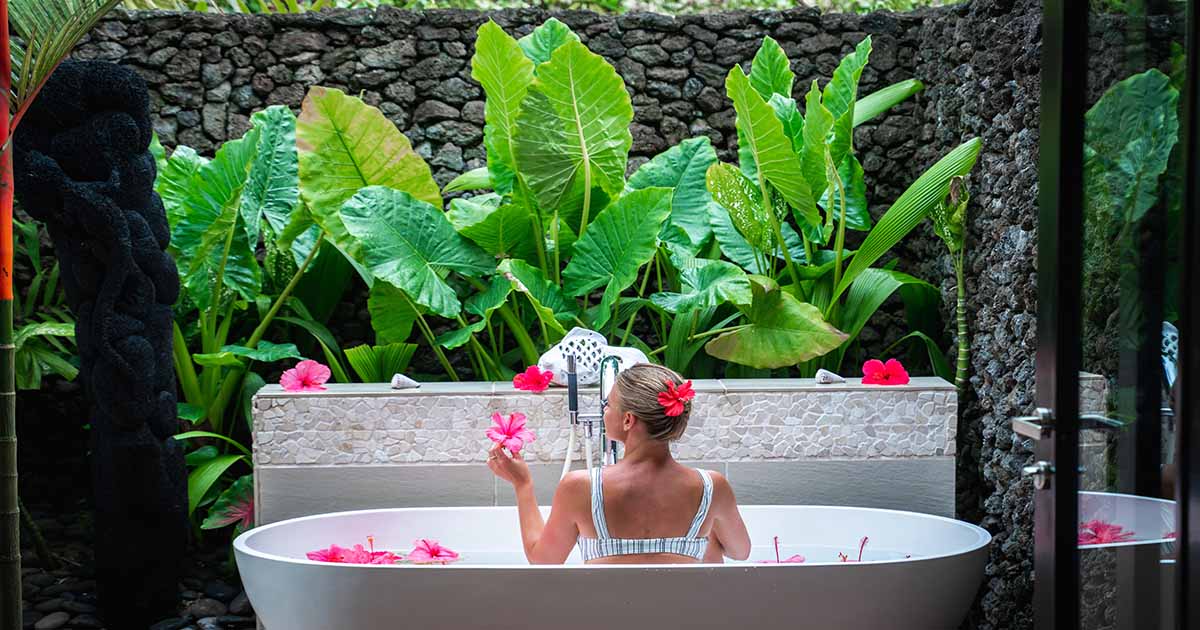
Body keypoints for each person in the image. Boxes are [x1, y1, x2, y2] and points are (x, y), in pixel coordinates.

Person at [488, 363, 751, 565]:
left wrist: (523, 484)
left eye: (607, 404)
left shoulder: (580, 487)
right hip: (679, 619)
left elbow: (542, 560)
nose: (604, 412)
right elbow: (740, 552)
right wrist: (700, 528)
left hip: (606, 619)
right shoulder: (712, 486)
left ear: (628, 420)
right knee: (712, 546)